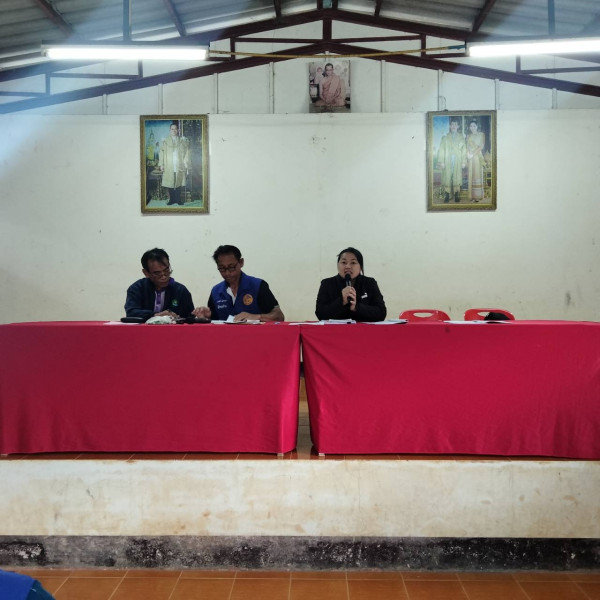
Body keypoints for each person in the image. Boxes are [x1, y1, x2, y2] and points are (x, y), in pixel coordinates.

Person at [193, 245, 284, 322]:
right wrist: (206, 317)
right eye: (222, 268)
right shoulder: (216, 291)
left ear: (241, 262)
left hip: (255, 336)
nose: (227, 273)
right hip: (226, 337)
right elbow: (215, 323)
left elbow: (279, 316)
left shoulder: (258, 286)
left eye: (231, 267)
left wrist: (256, 317)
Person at [315, 247, 386, 322]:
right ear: (338, 265)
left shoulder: (370, 283)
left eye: (353, 263)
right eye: (344, 262)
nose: (348, 266)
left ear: (360, 267)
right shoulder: (327, 284)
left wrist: (356, 307)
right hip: (336, 329)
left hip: (363, 329)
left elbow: (381, 313)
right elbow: (320, 314)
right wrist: (342, 301)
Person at [125, 248, 194, 321]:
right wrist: (156, 315)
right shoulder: (137, 288)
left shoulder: (180, 291)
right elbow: (131, 312)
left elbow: (190, 317)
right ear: (146, 273)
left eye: (166, 270)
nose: (164, 276)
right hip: (144, 328)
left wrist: (198, 316)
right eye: (157, 273)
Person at [158, 121, 191, 206]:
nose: (174, 130)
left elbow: (187, 152)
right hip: (169, 165)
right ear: (170, 130)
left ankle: (178, 200)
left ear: (178, 130)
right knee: (170, 182)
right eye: (172, 129)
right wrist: (161, 164)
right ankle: (172, 200)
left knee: (179, 182)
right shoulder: (165, 141)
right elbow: (161, 153)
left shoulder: (182, 141)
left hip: (179, 164)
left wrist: (186, 163)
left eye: (175, 129)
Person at [437, 118, 466, 203]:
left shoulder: (461, 137)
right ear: (450, 126)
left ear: (458, 126)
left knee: (457, 176)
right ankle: (447, 194)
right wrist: (442, 161)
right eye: (452, 124)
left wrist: (464, 161)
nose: (453, 126)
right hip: (447, 160)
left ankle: (457, 194)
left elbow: (464, 150)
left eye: (455, 125)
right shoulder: (445, 137)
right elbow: (441, 149)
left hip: (457, 159)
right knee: (447, 176)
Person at [466, 119, 486, 203]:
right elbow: (467, 146)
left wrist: (473, 154)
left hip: (477, 157)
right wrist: (468, 154)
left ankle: (478, 196)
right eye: (471, 126)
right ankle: (472, 196)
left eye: (474, 126)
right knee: (471, 175)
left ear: (477, 126)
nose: (472, 127)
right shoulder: (468, 136)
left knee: (477, 175)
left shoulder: (481, 135)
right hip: (471, 158)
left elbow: (481, 146)